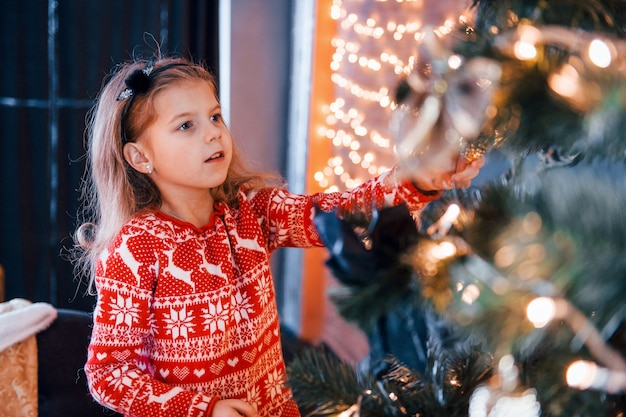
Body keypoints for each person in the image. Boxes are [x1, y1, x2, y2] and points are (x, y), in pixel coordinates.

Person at [72, 53, 483, 417]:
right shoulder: (136, 248)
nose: (213, 133)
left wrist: (417, 180)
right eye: (186, 126)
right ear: (140, 157)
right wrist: (203, 410)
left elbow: (341, 212)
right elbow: (109, 374)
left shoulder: (251, 210)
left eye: (215, 117)